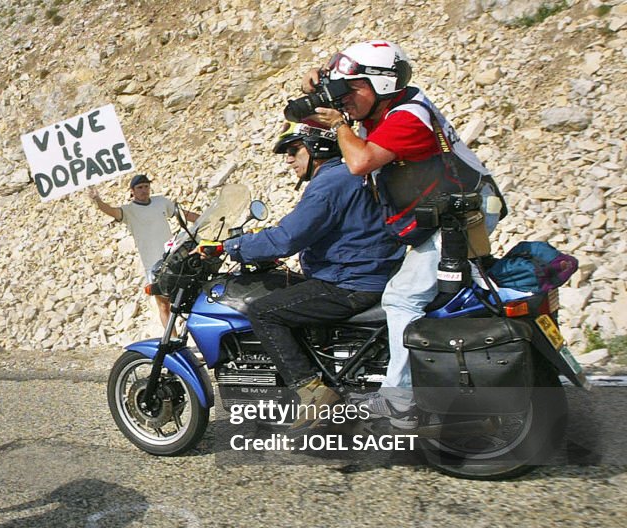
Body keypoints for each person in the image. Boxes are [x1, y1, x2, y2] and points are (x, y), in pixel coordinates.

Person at [302, 40, 507, 425]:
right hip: (447, 212)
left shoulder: (407, 117)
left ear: (380, 85)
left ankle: (400, 399)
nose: (344, 96)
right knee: (419, 290)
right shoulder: (387, 108)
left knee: (401, 299)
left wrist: (340, 125)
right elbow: (317, 122)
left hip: (461, 216)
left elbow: (360, 161)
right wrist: (312, 92)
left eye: (352, 87)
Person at [198, 123, 404, 425]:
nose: (289, 160)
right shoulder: (348, 175)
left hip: (349, 283)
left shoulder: (329, 183)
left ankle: (312, 392)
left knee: (264, 312)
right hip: (368, 272)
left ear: (318, 147)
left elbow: (286, 239)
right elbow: (300, 228)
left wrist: (231, 247)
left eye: (294, 150)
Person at [88, 174, 198, 329]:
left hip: (174, 258)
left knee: (188, 298)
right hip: (153, 265)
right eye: (140, 187)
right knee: (163, 305)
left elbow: (184, 214)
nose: (144, 190)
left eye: (146, 186)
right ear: (132, 191)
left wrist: (206, 220)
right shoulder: (128, 211)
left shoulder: (161, 202)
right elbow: (111, 211)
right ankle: (172, 341)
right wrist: (97, 201)